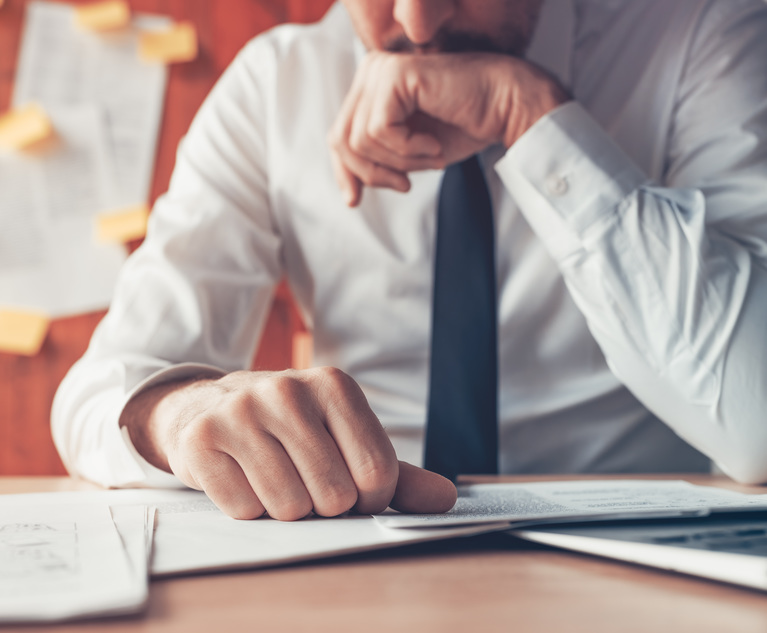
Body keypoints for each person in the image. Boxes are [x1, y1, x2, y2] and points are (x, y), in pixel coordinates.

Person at [53, 0, 767, 520]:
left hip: (632, 550)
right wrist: (179, 415)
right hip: (356, 540)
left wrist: (531, 119)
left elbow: (756, 424)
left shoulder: (704, 37)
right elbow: (98, 396)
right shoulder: (277, 86)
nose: (417, 22)